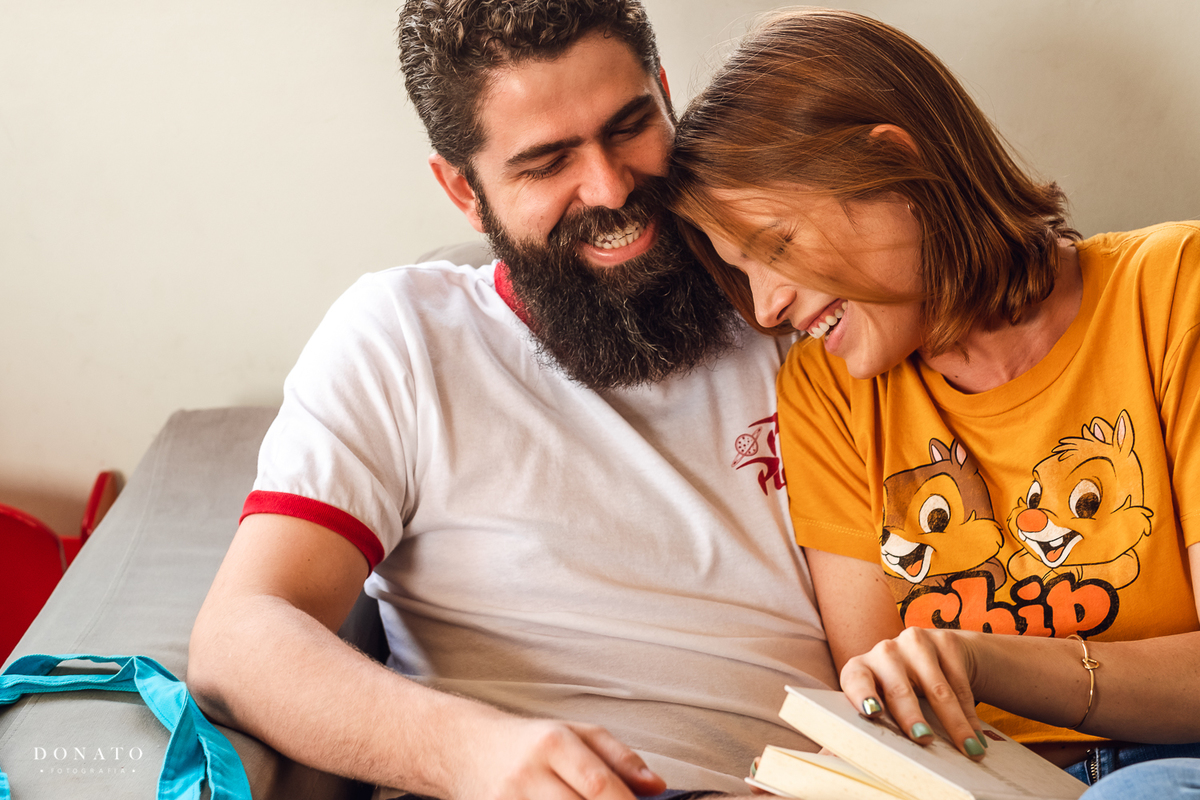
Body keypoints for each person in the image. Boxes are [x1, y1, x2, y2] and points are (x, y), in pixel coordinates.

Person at [187, 1, 837, 798]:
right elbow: (239, 637)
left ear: (665, 93)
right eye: (546, 162)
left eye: (631, 125)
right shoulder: (402, 337)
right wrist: (473, 752)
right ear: (463, 190)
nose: (608, 187)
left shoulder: (799, 296)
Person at [668, 6, 1200, 790]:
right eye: (740, 273)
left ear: (895, 172)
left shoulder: (1173, 289)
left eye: (776, 247)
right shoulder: (826, 391)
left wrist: (983, 662)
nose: (766, 307)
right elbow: (890, 711)